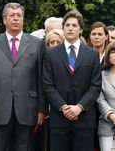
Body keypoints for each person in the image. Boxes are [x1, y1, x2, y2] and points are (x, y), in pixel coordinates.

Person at [0, 2, 47, 151]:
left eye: (19, 16)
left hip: (28, 108)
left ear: (23, 19)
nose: (16, 19)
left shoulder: (37, 44)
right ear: (4, 20)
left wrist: (42, 109)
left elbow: (41, 78)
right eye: (12, 15)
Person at [42, 10, 102, 151]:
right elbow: (47, 85)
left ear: (81, 29)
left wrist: (79, 107)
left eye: (74, 25)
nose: (70, 28)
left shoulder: (92, 55)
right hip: (59, 118)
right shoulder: (50, 54)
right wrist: (64, 107)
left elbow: (96, 86)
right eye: (67, 25)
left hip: (84, 119)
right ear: (63, 28)